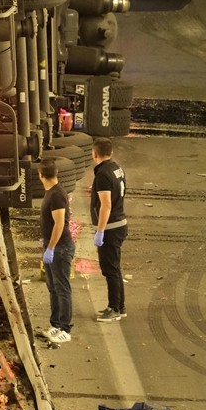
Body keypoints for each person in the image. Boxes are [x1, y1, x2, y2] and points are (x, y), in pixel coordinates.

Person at [90, 137, 128, 322]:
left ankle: (114, 308)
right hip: (120, 223)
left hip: (111, 227)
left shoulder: (103, 174)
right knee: (115, 268)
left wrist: (100, 230)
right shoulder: (116, 168)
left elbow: (105, 205)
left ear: (94, 153)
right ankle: (120, 306)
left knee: (110, 270)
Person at [39, 159, 74, 344]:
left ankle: (65, 329)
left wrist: (51, 247)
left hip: (60, 248)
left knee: (62, 288)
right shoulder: (51, 193)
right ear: (57, 172)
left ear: (40, 176)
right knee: (53, 287)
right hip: (52, 246)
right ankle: (56, 325)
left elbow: (60, 224)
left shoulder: (56, 195)